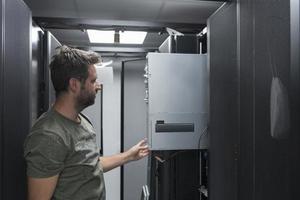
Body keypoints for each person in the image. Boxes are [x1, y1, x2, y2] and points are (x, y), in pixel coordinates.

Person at [24, 45, 149, 200]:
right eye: (93, 81)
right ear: (74, 84)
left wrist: (129, 156)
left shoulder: (82, 120)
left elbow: (90, 165)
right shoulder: (49, 136)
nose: (98, 86)